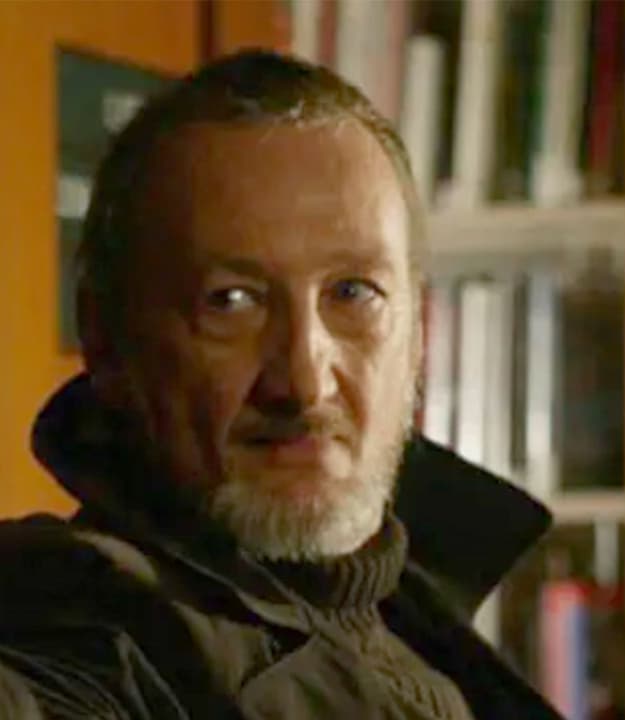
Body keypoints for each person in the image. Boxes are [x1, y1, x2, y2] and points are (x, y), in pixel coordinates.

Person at [0, 50, 562, 719]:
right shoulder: (79, 630)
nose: (302, 381)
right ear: (106, 339)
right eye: (231, 301)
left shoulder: (420, 621)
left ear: (418, 329)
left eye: (353, 293)